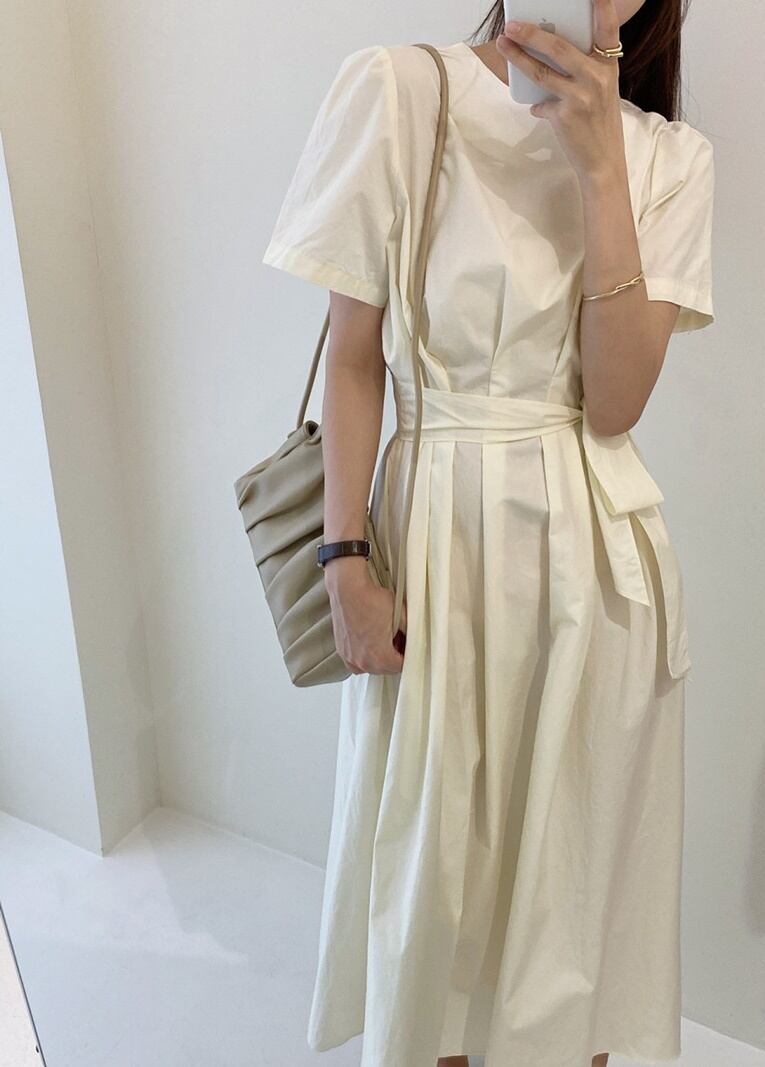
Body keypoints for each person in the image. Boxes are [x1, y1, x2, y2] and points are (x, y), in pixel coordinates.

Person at [262, 0, 715, 1063]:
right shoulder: (399, 90)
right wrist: (342, 558)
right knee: (435, 887)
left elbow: (613, 403)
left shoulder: (669, 159)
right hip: (435, 550)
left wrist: (599, 167)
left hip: (598, 577)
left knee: (572, 899)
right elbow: (353, 358)